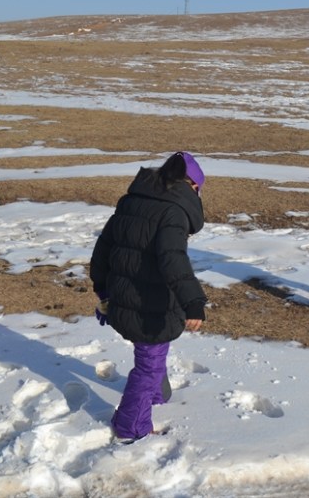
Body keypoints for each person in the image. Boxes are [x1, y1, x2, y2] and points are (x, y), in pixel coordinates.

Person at [90, 151, 208, 444]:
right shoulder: (174, 213)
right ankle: (131, 426)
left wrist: (103, 289)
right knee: (149, 365)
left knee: (150, 355)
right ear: (192, 186)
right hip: (150, 304)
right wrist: (193, 302)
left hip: (124, 297)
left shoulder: (132, 200)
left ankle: (156, 394)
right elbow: (173, 260)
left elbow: (103, 247)